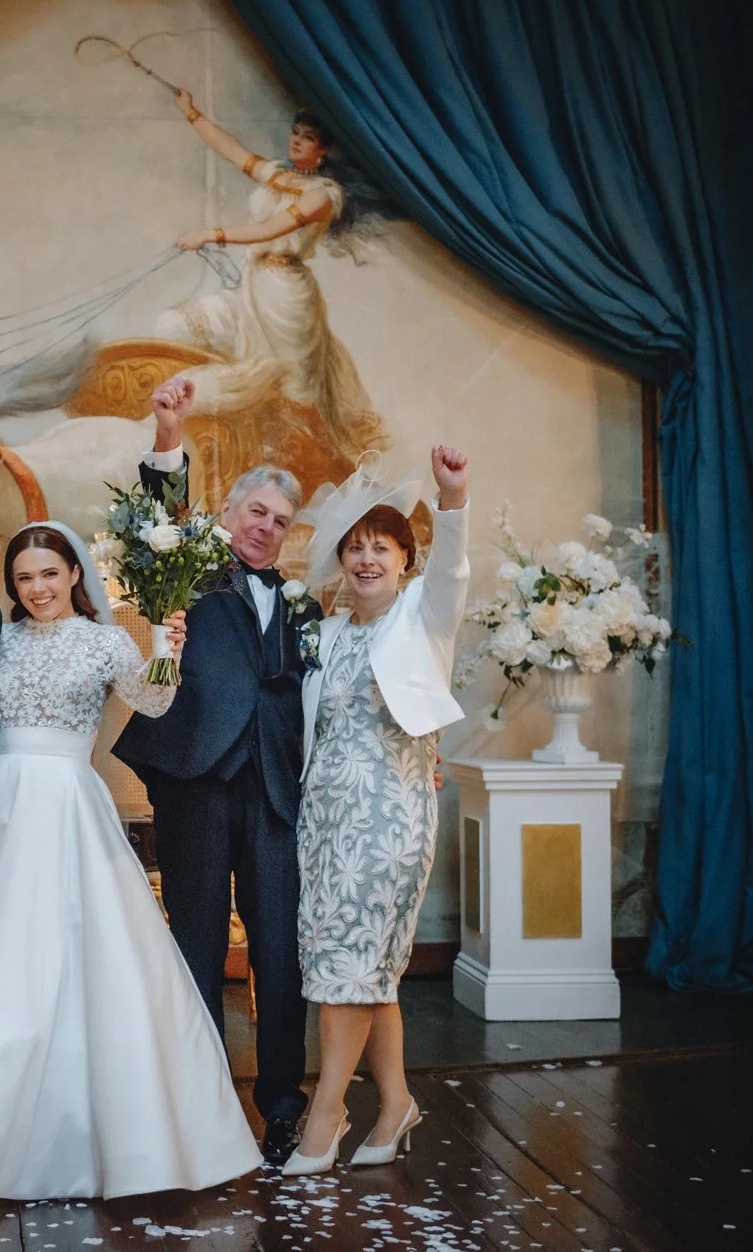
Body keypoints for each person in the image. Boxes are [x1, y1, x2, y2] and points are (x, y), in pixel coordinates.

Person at [0, 522, 261, 1198]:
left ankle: (105, 1132)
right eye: (24, 578)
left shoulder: (104, 641)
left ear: (74, 573)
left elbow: (154, 697)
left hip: (69, 801)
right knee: (2, 960)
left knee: (87, 955)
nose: (38, 588)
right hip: (3, 810)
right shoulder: (1, 639)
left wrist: (166, 648)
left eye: (49, 573)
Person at [109, 376, 320, 1168]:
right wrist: (168, 434)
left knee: (278, 951)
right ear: (229, 513)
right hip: (195, 778)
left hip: (273, 792)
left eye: (279, 521)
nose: (265, 528)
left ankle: (283, 1109)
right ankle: (197, 1105)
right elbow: (160, 514)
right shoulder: (192, 565)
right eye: (255, 512)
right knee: (194, 941)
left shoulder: (301, 603)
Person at [283, 446, 470, 1175]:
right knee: (368, 971)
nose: (365, 559)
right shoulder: (326, 635)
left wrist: (453, 496)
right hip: (325, 820)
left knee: (348, 967)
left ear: (404, 559)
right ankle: (395, 1102)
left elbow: (454, 568)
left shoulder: (424, 621)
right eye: (354, 546)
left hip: (390, 816)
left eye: (380, 548)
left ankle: (325, 1111)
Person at [160, 95, 380, 454]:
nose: (295, 140)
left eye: (307, 137)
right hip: (253, 285)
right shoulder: (277, 173)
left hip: (287, 298)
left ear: (323, 148)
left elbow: (272, 229)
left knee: (291, 391)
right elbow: (229, 148)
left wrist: (210, 235)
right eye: (295, 132)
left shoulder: (323, 194)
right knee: (179, 326)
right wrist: (191, 113)